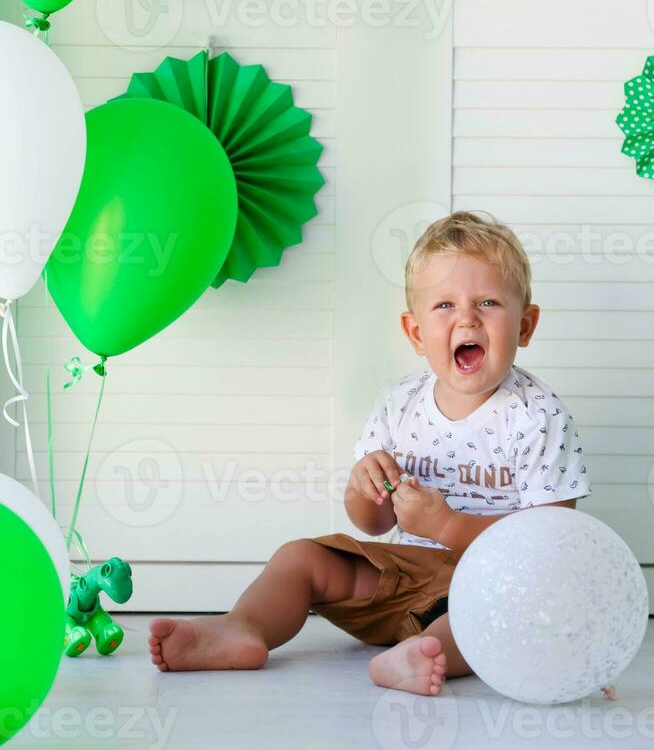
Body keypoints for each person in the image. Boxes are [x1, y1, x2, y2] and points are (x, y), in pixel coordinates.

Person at [148, 210, 592, 695]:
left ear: (525, 325)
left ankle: (423, 656)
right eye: (444, 305)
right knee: (300, 558)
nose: (466, 317)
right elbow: (372, 524)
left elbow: (553, 546)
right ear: (416, 333)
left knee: (508, 610)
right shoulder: (400, 403)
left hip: (492, 584)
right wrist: (366, 487)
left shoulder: (536, 416)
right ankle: (244, 628)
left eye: (487, 302)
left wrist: (447, 526)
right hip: (403, 580)